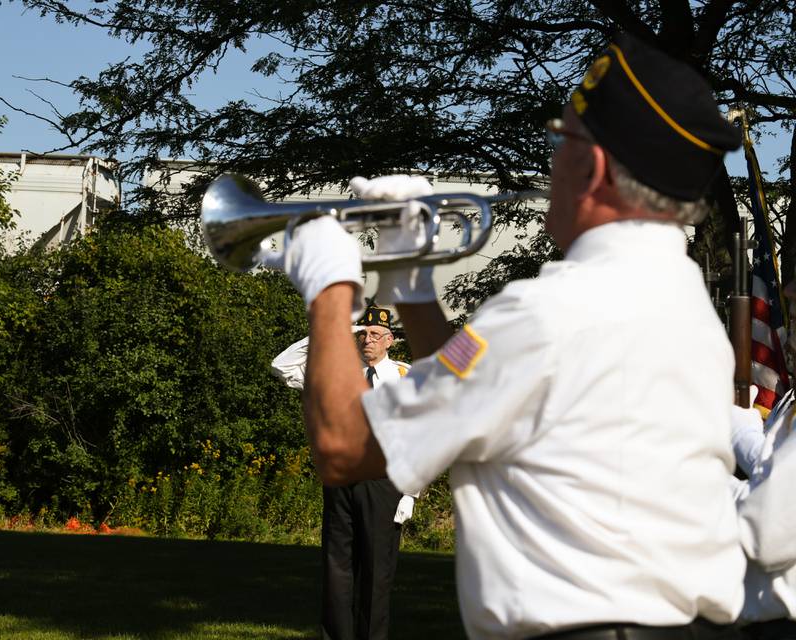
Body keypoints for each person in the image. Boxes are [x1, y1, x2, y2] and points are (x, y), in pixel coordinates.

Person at [265, 33, 747, 639]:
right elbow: (466, 376)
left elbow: (341, 447)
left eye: (559, 142)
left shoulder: (547, 315)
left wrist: (331, 288)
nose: (550, 160)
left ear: (591, 166)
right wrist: (412, 282)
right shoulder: (683, 306)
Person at [271, 306, 413, 640]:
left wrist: (410, 492)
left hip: (382, 484)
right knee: (337, 568)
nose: (368, 340)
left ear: (390, 340)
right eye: (363, 334)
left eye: (376, 335)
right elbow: (281, 366)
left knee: (377, 572)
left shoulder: (408, 378)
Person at [730, 271, 796, 639]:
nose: (788, 336)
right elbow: (777, 473)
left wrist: (692, 480)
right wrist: (742, 430)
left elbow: (765, 531)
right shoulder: (791, 399)